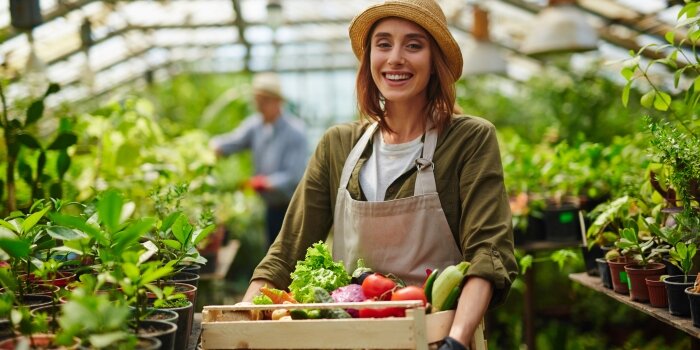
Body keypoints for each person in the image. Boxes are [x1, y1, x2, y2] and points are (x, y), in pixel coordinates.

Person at [241, 0, 517, 348]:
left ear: (435, 62)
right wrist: (241, 316)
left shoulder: (468, 140)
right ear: (369, 57)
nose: (395, 58)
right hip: (347, 338)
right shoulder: (338, 145)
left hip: (436, 336)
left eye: (413, 45)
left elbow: (489, 253)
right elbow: (286, 253)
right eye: (383, 44)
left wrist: (457, 340)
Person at [209, 72, 308, 248]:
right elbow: (234, 141)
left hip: (293, 207)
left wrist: (265, 183)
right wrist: (212, 146)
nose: (259, 106)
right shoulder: (256, 126)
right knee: (272, 250)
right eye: (257, 101)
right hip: (271, 205)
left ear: (278, 101)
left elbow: (294, 175)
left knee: (291, 253)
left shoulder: (295, 132)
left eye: (264, 101)